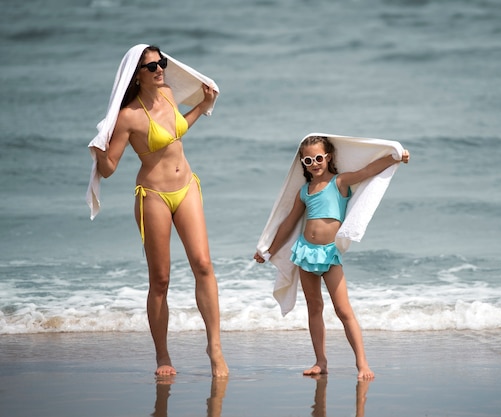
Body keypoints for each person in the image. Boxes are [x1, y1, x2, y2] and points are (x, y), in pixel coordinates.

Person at [93, 45, 228, 377]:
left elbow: (177, 129)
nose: (159, 69)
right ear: (136, 75)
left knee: (204, 264)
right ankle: (163, 357)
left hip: (187, 188)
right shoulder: (129, 116)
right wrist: (97, 151)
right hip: (152, 196)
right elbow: (109, 168)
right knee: (161, 280)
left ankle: (215, 348)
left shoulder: (168, 93)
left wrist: (204, 105)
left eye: (161, 62)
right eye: (151, 66)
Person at [254, 135, 410, 379]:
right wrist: (269, 250)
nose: (314, 163)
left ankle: (362, 363)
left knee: (343, 309)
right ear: (303, 164)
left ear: (328, 157)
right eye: (308, 160)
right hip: (305, 252)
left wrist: (395, 156)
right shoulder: (304, 191)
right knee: (314, 307)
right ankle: (320, 362)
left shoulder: (340, 182)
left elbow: (368, 170)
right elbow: (288, 224)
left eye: (318, 157)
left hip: (329, 254)